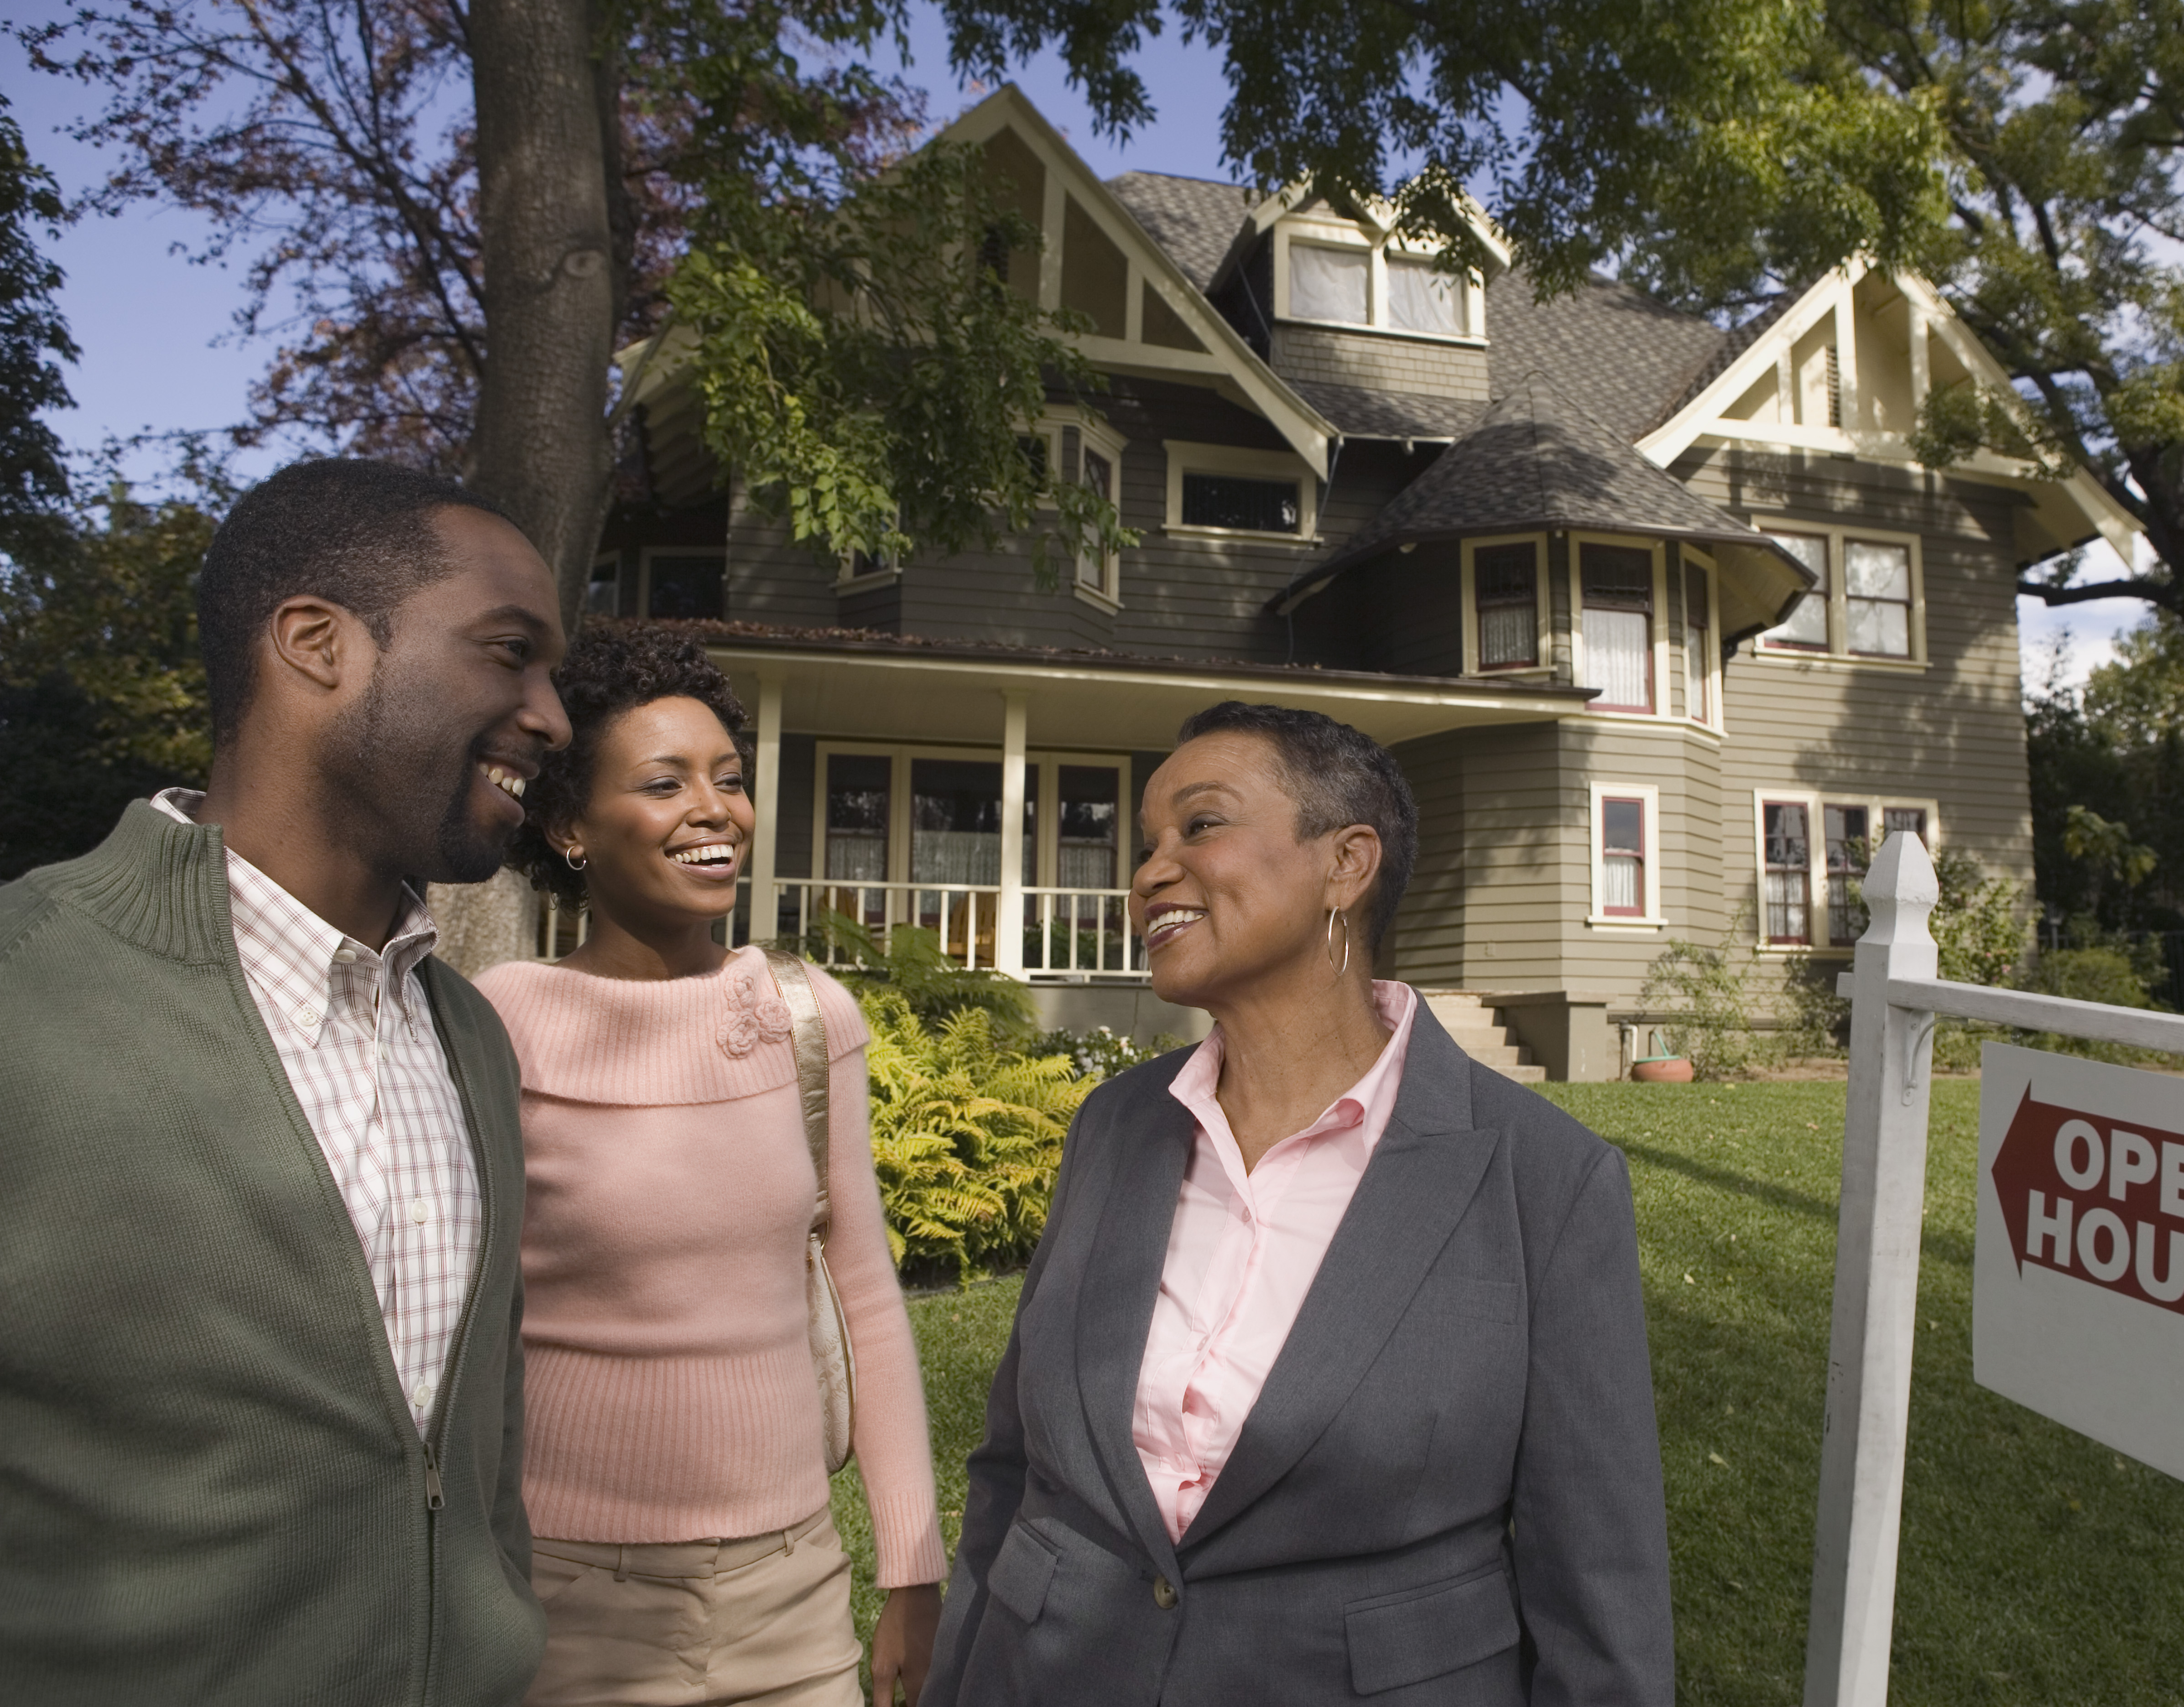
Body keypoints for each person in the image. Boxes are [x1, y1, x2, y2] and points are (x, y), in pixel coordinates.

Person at [925, 702, 1675, 1707]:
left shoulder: (1542, 1179)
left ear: (1346, 862)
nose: (1148, 871)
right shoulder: (1113, 1126)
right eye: (1146, 843)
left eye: (1200, 825)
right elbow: (1013, 1469)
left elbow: (1598, 1590)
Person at [0, 459, 570, 1704]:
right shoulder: (23, 994)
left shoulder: (470, 1033)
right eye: (508, 652)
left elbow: (484, 1447)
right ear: (317, 643)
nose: (554, 715)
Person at [475, 626, 945, 1707]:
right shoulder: (500, 1019)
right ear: (568, 825)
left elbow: (865, 1290)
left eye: (729, 780)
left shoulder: (804, 1014)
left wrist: (912, 1564)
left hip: (793, 1591)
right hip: (565, 1595)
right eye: (663, 781)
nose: (715, 808)